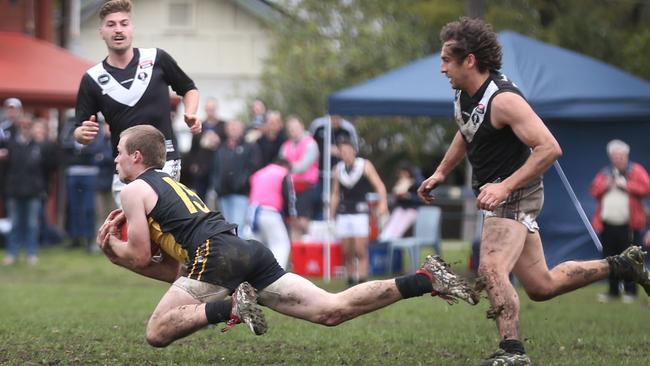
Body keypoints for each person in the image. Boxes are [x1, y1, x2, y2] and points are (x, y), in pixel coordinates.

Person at [97, 125, 479, 348]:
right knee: (332, 310)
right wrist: (130, 258)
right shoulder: (169, 184)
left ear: (135, 156)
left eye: (118, 153)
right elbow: (178, 271)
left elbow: (142, 256)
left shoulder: (132, 191)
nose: (115, 160)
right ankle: (424, 279)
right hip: (244, 250)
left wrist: (113, 251)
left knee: (156, 332)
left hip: (216, 255)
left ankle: (230, 308)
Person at [417, 17, 650, 366]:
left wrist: (504, 186)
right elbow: (466, 132)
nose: (440, 67)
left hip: (516, 192)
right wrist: (439, 172)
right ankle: (622, 265)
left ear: (470, 60)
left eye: (447, 59)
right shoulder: (463, 94)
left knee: (492, 268)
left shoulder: (505, 100)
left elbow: (549, 148)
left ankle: (513, 353)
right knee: (541, 285)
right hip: (502, 193)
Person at [73, 0, 201, 206]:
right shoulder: (93, 78)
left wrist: (192, 112)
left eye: (124, 23)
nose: (118, 30)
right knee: (133, 229)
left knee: (156, 224)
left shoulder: (157, 59)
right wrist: (83, 134)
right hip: (125, 166)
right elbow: (79, 130)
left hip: (164, 160)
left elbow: (189, 88)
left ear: (132, 29)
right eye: (111, 24)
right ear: (101, 32)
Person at [590, 139, 650, 303]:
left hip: (629, 225)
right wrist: (606, 186)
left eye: (621, 155)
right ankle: (613, 291)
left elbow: (646, 188)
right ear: (610, 157)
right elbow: (594, 191)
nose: (618, 159)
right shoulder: (605, 173)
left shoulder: (636, 171)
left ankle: (631, 292)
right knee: (610, 258)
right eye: (615, 156)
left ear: (626, 155)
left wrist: (627, 186)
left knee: (630, 259)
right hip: (607, 224)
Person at [331, 139, 388, 286]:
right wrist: (331, 213)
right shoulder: (338, 169)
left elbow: (380, 186)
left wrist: (383, 204)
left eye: (347, 151)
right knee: (347, 251)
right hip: (344, 212)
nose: (345, 154)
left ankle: (362, 280)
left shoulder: (365, 166)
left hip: (360, 212)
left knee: (360, 249)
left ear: (354, 151)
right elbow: (336, 193)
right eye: (342, 152)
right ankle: (350, 280)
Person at [1, 116, 56, 265]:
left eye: (28, 126)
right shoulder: (11, 146)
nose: (25, 129)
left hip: (33, 191)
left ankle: (32, 253)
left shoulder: (38, 146)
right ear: (19, 128)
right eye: (23, 126)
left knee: (32, 224)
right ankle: (12, 253)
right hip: (14, 190)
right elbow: (5, 170)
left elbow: (49, 167)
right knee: (15, 224)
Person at [213, 119, 261, 234]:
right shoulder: (221, 148)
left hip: (241, 194)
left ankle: (241, 252)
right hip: (223, 194)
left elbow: (253, 167)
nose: (233, 130)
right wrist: (217, 186)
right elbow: (215, 169)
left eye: (236, 127)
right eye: (231, 128)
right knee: (228, 228)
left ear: (242, 130)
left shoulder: (249, 147)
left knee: (239, 227)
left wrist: (242, 182)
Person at [247, 159, 296, 269]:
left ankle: (253, 276)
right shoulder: (282, 173)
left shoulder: (259, 173)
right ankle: (276, 275)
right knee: (281, 245)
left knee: (258, 248)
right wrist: (289, 216)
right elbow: (288, 197)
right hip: (270, 212)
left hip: (253, 212)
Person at [309, 115, 359, 220]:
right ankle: (319, 222)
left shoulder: (348, 129)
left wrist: (340, 152)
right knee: (317, 200)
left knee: (337, 199)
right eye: (333, 118)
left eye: (338, 118)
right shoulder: (318, 126)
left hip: (340, 174)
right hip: (320, 174)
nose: (335, 121)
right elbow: (308, 146)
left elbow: (355, 150)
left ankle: (335, 221)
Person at [279, 115, 319, 240]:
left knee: (304, 221)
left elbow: (303, 166)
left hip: (306, 188)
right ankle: (296, 256)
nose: (293, 131)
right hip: (291, 189)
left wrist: (288, 167)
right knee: (293, 222)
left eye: (295, 128)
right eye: (290, 129)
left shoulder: (311, 143)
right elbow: (280, 164)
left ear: (302, 126)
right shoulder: (285, 145)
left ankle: (311, 250)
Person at [187, 98, 226, 202]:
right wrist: (193, 164)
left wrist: (217, 141)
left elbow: (228, 144)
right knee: (200, 195)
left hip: (218, 165)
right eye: (208, 109)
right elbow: (193, 148)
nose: (210, 111)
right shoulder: (200, 125)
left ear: (216, 109)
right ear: (205, 110)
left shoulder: (223, 125)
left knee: (217, 195)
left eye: (212, 109)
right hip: (202, 166)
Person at [377, 161, 423, 243]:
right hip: (402, 209)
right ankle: (384, 239)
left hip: (413, 210)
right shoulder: (401, 181)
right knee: (390, 226)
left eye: (404, 173)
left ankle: (393, 242)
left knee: (398, 229)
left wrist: (409, 196)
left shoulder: (418, 182)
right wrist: (398, 196)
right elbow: (396, 202)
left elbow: (422, 200)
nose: (403, 175)